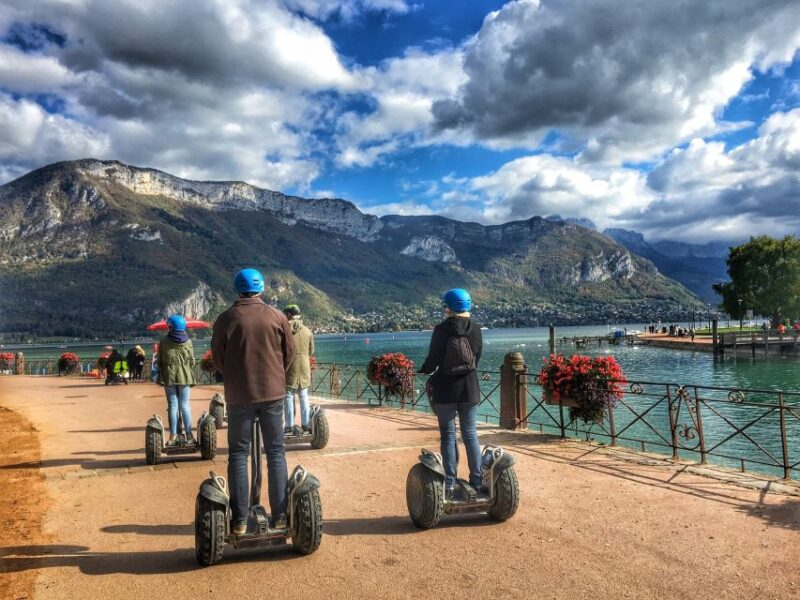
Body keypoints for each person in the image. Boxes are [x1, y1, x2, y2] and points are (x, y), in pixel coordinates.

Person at [211, 268, 295, 535]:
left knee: (238, 454)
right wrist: (275, 376)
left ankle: (238, 521)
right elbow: (289, 354)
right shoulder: (277, 316)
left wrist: (234, 376)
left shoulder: (225, 319)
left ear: (237, 289)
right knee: (276, 453)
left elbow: (218, 358)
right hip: (273, 394)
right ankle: (280, 516)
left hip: (239, 396)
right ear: (261, 289)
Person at [419, 288, 483, 497]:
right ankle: (477, 480)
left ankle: (450, 482)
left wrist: (424, 369)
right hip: (469, 389)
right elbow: (477, 357)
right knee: (470, 434)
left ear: (449, 307)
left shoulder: (441, 330)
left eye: (444, 305)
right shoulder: (476, 328)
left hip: (446, 389)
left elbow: (433, 359)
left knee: (448, 435)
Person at [157, 315, 197, 445]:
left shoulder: (163, 341)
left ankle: (173, 437)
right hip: (185, 376)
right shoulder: (189, 342)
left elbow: (159, 362)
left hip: (169, 377)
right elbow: (192, 361)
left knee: (173, 406)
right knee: (185, 405)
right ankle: (190, 436)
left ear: (170, 327)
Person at [283, 304, 315, 434]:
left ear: (289, 315)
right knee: (303, 396)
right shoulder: (308, 331)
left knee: (288, 395)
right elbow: (311, 351)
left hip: (290, 367)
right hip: (304, 368)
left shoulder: (285, 330)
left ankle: (289, 425)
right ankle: (306, 424)